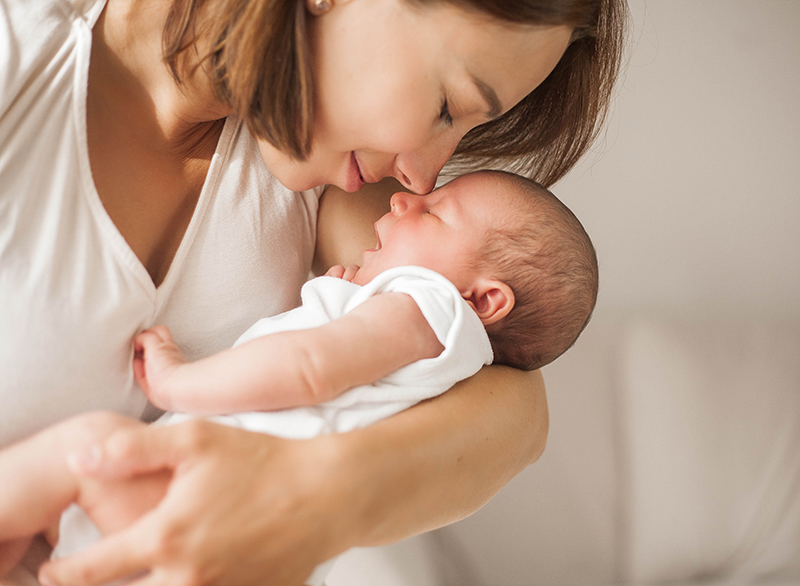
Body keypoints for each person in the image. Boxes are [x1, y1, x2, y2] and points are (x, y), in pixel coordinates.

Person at [0, 0, 627, 582]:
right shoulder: (22, 68)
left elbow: (514, 406)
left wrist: (313, 497)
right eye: (447, 106)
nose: (421, 174)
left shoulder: (327, 177)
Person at [0, 170, 598, 584]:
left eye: (437, 211)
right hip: (241, 548)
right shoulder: (442, 356)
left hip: (193, 496)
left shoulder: (431, 303)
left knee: (81, 452)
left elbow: (310, 368)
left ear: (484, 300)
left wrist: (178, 381)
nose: (405, 198)